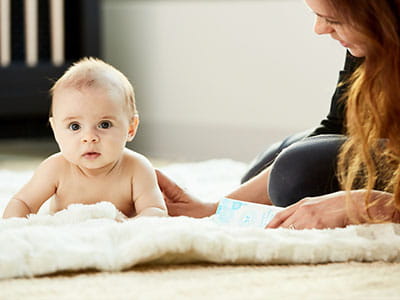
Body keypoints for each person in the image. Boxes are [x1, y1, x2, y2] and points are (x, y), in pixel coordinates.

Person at [156, 0, 400, 229]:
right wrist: (214, 209)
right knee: (272, 166)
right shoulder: (372, 41)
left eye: (333, 21)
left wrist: (369, 204)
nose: (319, 29)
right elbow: (338, 125)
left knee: (295, 172)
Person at [3, 57, 168, 219]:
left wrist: (127, 228)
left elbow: (155, 211)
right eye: (75, 126)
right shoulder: (55, 169)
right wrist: (13, 227)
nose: (89, 138)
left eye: (104, 124)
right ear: (56, 131)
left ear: (131, 128)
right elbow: (22, 202)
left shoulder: (137, 168)